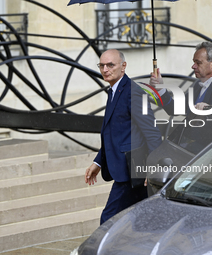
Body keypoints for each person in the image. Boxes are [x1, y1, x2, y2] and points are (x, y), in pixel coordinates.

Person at [85, 49, 162, 225]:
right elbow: (114, 133)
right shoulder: (114, 90)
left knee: (108, 220)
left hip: (131, 172)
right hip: (126, 170)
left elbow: (151, 132)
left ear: (123, 66)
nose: (105, 69)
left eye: (110, 65)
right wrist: (98, 162)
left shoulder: (134, 92)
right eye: (102, 65)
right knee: (141, 222)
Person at [150, 41, 212, 115]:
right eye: (194, 62)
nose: (193, 66)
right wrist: (160, 89)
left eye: (198, 63)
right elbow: (174, 109)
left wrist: (208, 108)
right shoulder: (197, 85)